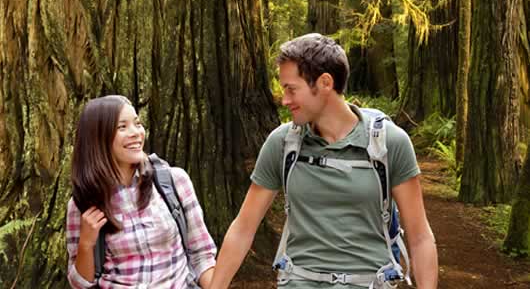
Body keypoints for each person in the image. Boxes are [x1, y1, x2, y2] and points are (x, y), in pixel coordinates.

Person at [210, 34, 438, 288]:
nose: (284, 100)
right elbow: (243, 227)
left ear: (325, 83)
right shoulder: (283, 143)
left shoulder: (389, 143)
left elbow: (419, 237)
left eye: (291, 89)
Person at [66, 95, 216, 288]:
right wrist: (86, 244)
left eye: (137, 124)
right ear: (98, 137)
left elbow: (202, 255)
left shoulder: (174, 181)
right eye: (122, 127)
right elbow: (80, 284)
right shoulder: (82, 203)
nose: (136, 132)